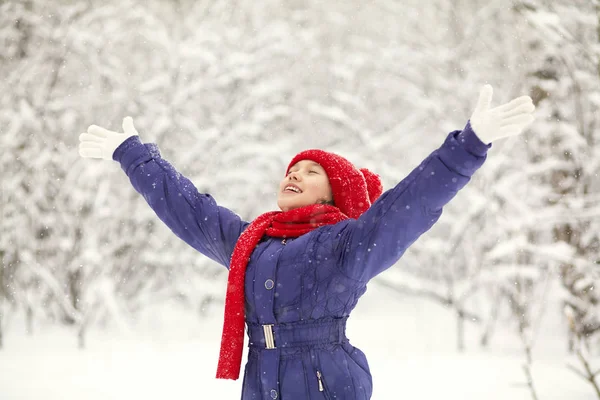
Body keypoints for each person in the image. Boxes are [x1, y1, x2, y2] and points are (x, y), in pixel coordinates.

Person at [78, 84, 535, 399]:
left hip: (327, 382)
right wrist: (133, 153)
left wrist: (470, 144)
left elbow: (407, 207)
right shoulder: (253, 244)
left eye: (311, 171)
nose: (294, 173)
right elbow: (190, 211)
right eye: (292, 168)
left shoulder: (345, 245)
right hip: (262, 378)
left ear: (335, 193)